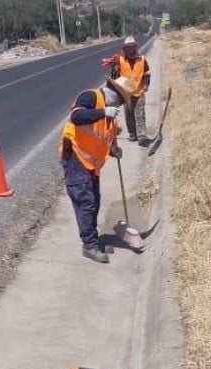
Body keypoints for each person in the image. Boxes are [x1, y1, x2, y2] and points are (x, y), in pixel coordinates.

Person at [59, 76, 144, 263]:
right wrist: (103, 112)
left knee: (94, 202)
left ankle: (93, 239)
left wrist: (114, 151)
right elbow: (76, 117)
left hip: (92, 165)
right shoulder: (91, 97)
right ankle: (89, 245)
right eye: (121, 101)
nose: (120, 105)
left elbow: (105, 138)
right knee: (86, 202)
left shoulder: (110, 117)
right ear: (114, 93)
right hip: (75, 158)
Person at [110, 36, 152, 145]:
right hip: (126, 93)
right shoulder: (120, 60)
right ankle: (132, 134)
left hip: (139, 91)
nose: (130, 49)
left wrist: (146, 84)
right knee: (129, 114)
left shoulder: (142, 60)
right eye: (128, 47)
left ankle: (142, 136)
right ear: (125, 49)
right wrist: (114, 68)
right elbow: (115, 76)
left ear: (135, 47)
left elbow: (147, 73)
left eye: (132, 47)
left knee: (140, 114)